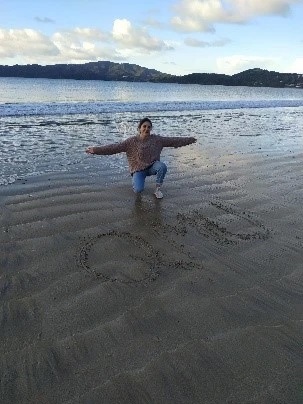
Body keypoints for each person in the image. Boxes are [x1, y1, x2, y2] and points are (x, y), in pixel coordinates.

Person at [86, 117, 197, 199]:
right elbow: (114, 148)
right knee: (138, 190)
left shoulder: (157, 140)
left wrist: (189, 140)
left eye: (149, 127)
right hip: (138, 169)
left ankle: (157, 190)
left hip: (153, 166)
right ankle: (138, 183)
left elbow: (174, 141)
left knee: (162, 167)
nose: (146, 129)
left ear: (151, 129)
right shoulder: (131, 142)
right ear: (139, 128)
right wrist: (96, 150)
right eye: (144, 126)